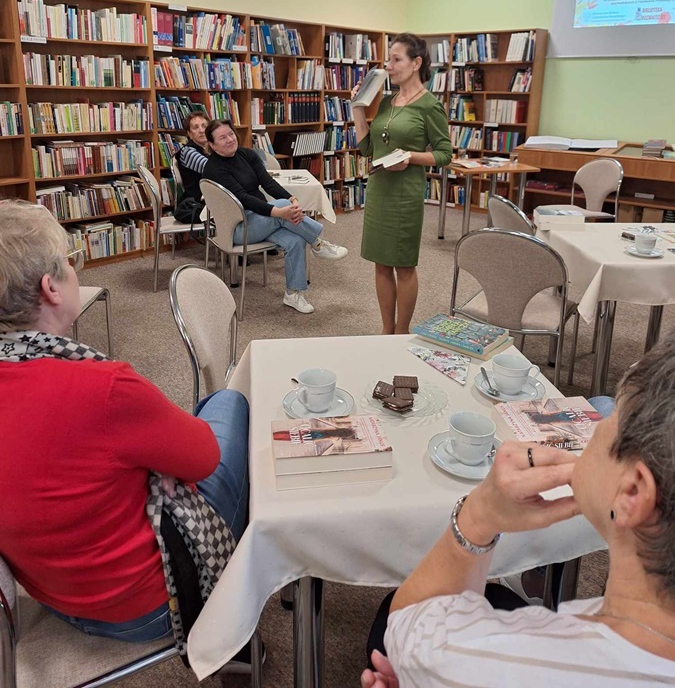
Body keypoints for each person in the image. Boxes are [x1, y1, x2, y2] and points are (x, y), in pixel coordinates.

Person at [0, 200, 251, 665]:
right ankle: (240, 612)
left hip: (49, 599)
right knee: (229, 403)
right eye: (72, 263)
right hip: (148, 607)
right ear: (51, 287)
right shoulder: (104, 386)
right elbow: (203, 459)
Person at [361, 340, 675, 687]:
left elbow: (407, 623)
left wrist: (479, 514)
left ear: (632, 492)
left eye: (612, 414)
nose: (596, 421)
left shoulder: (465, 659)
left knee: (384, 624)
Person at [353, 33, 453, 335]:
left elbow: (444, 154)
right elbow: (367, 149)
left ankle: (402, 330)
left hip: (404, 195)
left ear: (416, 63)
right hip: (380, 190)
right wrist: (357, 107)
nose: (389, 66)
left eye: (396, 59)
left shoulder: (429, 105)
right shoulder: (385, 101)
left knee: (404, 265)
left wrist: (410, 156)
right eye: (389, 59)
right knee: (381, 264)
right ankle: (386, 330)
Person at [202, 119, 348, 315]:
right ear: (211, 145)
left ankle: (293, 294)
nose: (230, 139)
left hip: (261, 219)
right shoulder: (214, 168)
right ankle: (318, 243)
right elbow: (243, 199)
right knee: (280, 208)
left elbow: (268, 183)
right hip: (238, 227)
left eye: (230, 134)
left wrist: (291, 197)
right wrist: (279, 212)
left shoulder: (247, 155)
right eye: (222, 137)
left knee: (295, 239)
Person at [174, 110, 210, 207]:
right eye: (196, 127)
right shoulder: (188, 152)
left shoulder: (211, 149)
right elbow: (212, 170)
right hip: (197, 204)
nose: (201, 130)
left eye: (204, 126)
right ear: (189, 133)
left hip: (210, 201)